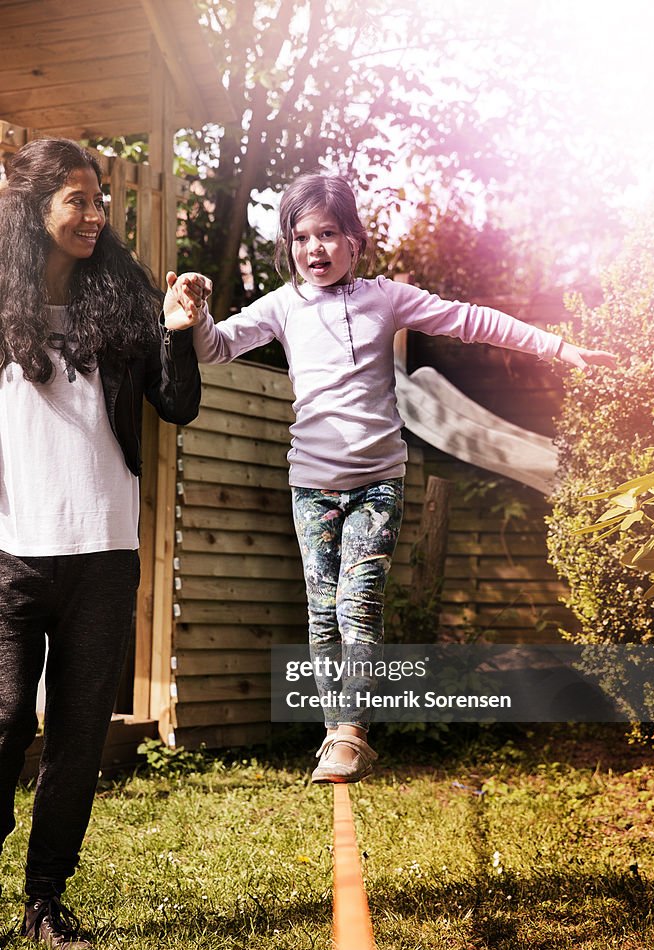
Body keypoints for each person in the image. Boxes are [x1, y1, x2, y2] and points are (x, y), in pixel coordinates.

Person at [164, 172, 616, 785]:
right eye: (301, 237)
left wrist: (560, 350)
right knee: (322, 610)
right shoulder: (282, 306)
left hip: (378, 481)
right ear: (288, 246)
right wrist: (194, 316)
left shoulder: (386, 298)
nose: (314, 249)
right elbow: (216, 349)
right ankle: (335, 731)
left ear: (354, 238)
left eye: (328, 233)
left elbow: (472, 321)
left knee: (359, 598)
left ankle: (351, 731)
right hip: (311, 484)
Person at [0, 137, 201, 950]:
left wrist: (179, 330)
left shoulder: (123, 293)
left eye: (99, 200)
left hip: (106, 551)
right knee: (5, 719)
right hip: (11, 551)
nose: (94, 214)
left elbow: (177, 403)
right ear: (33, 211)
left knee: (79, 735)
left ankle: (44, 901)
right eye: (75, 200)